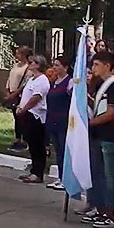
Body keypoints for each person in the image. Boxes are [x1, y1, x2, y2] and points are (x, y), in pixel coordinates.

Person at [83, 51, 114, 228]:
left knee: (110, 175)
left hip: (110, 135)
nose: (93, 68)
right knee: (98, 173)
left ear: (107, 65)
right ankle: (99, 208)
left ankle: (110, 213)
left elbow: (110, 113)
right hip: (98, 134)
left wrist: (89, 123)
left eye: (96, 65)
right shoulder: (100, 83)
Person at [16, 55, 50, 184]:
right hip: (26, 114)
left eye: (31, 63)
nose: (29, 64)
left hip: (35, 115)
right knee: (31, 143)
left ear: (38, 65)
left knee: (37, 145)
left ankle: (38, 172)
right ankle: (33, 170)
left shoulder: (42, 80)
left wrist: (24, 109)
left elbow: (36, 97)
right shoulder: (31, 79)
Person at [45, 56, 72, 191]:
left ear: (65, 67)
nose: (55, 68)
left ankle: (66, 178)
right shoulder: (54, 82)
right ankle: (61, 177)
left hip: (63, 121)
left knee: (64, 150)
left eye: (57, 65)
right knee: (58, 151)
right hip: (53, 120)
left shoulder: (70, 82)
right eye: (54, 65)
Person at [5, 46, 31, 151]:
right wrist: (8, 90)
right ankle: (17, 139)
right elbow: (10, 78)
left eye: (19, 53)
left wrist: (15, 93)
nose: (17, 55)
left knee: (21, 118)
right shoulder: (16, 65)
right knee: (16, 118)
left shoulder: (27, 68)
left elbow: (25, 83)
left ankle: (24, 140)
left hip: (20, 95)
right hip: (11, 93)